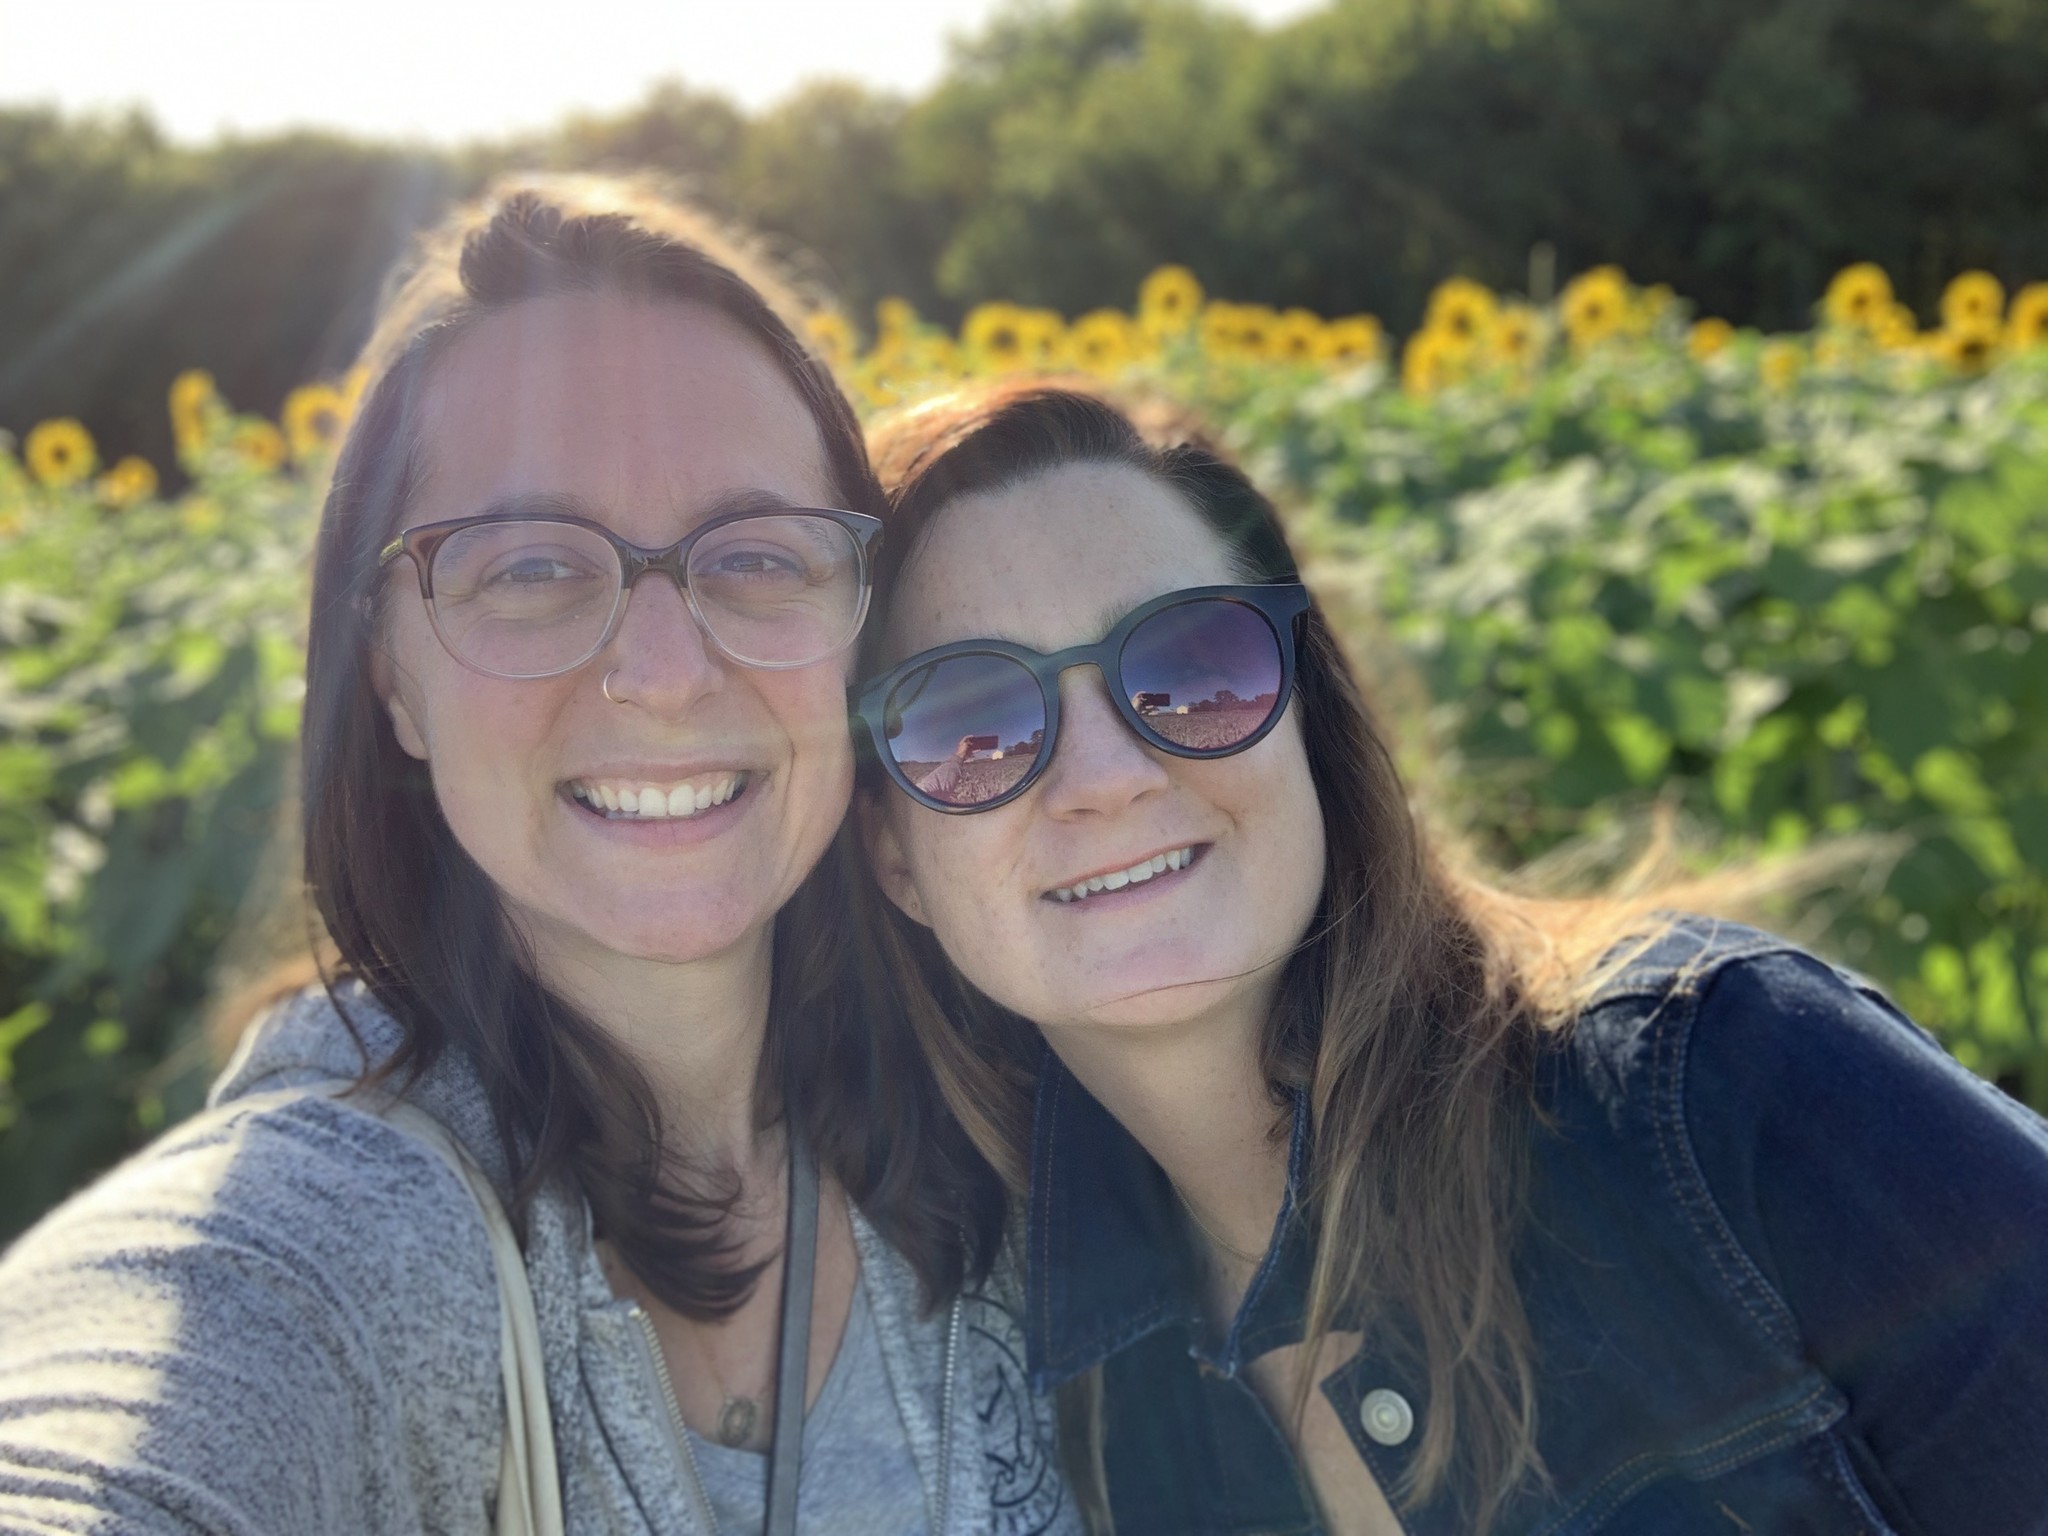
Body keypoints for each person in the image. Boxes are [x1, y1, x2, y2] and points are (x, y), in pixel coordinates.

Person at [0, 181, 1072, 1536]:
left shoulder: (1005, 1097)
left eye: (755, 554)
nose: (668, 673)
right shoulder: (335, 1231)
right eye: (526, 568)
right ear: (388, 672)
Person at [849, 383, 2048, 1536]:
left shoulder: (1726, 1087)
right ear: (892, 857)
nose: (1108, 777)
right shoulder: (1042, 1402)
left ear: (1306, 716)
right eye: (968, 722)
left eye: (1191, 665)